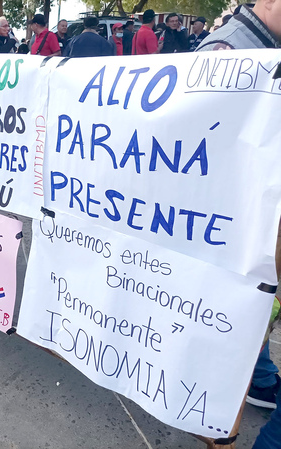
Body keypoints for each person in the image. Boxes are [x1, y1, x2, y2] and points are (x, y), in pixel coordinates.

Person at [196, 2, 281, 447]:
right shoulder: (229, 54)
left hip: (252, 228)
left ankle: (261, 381)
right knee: (238, 318)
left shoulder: (263, 47)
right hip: (238, 228)